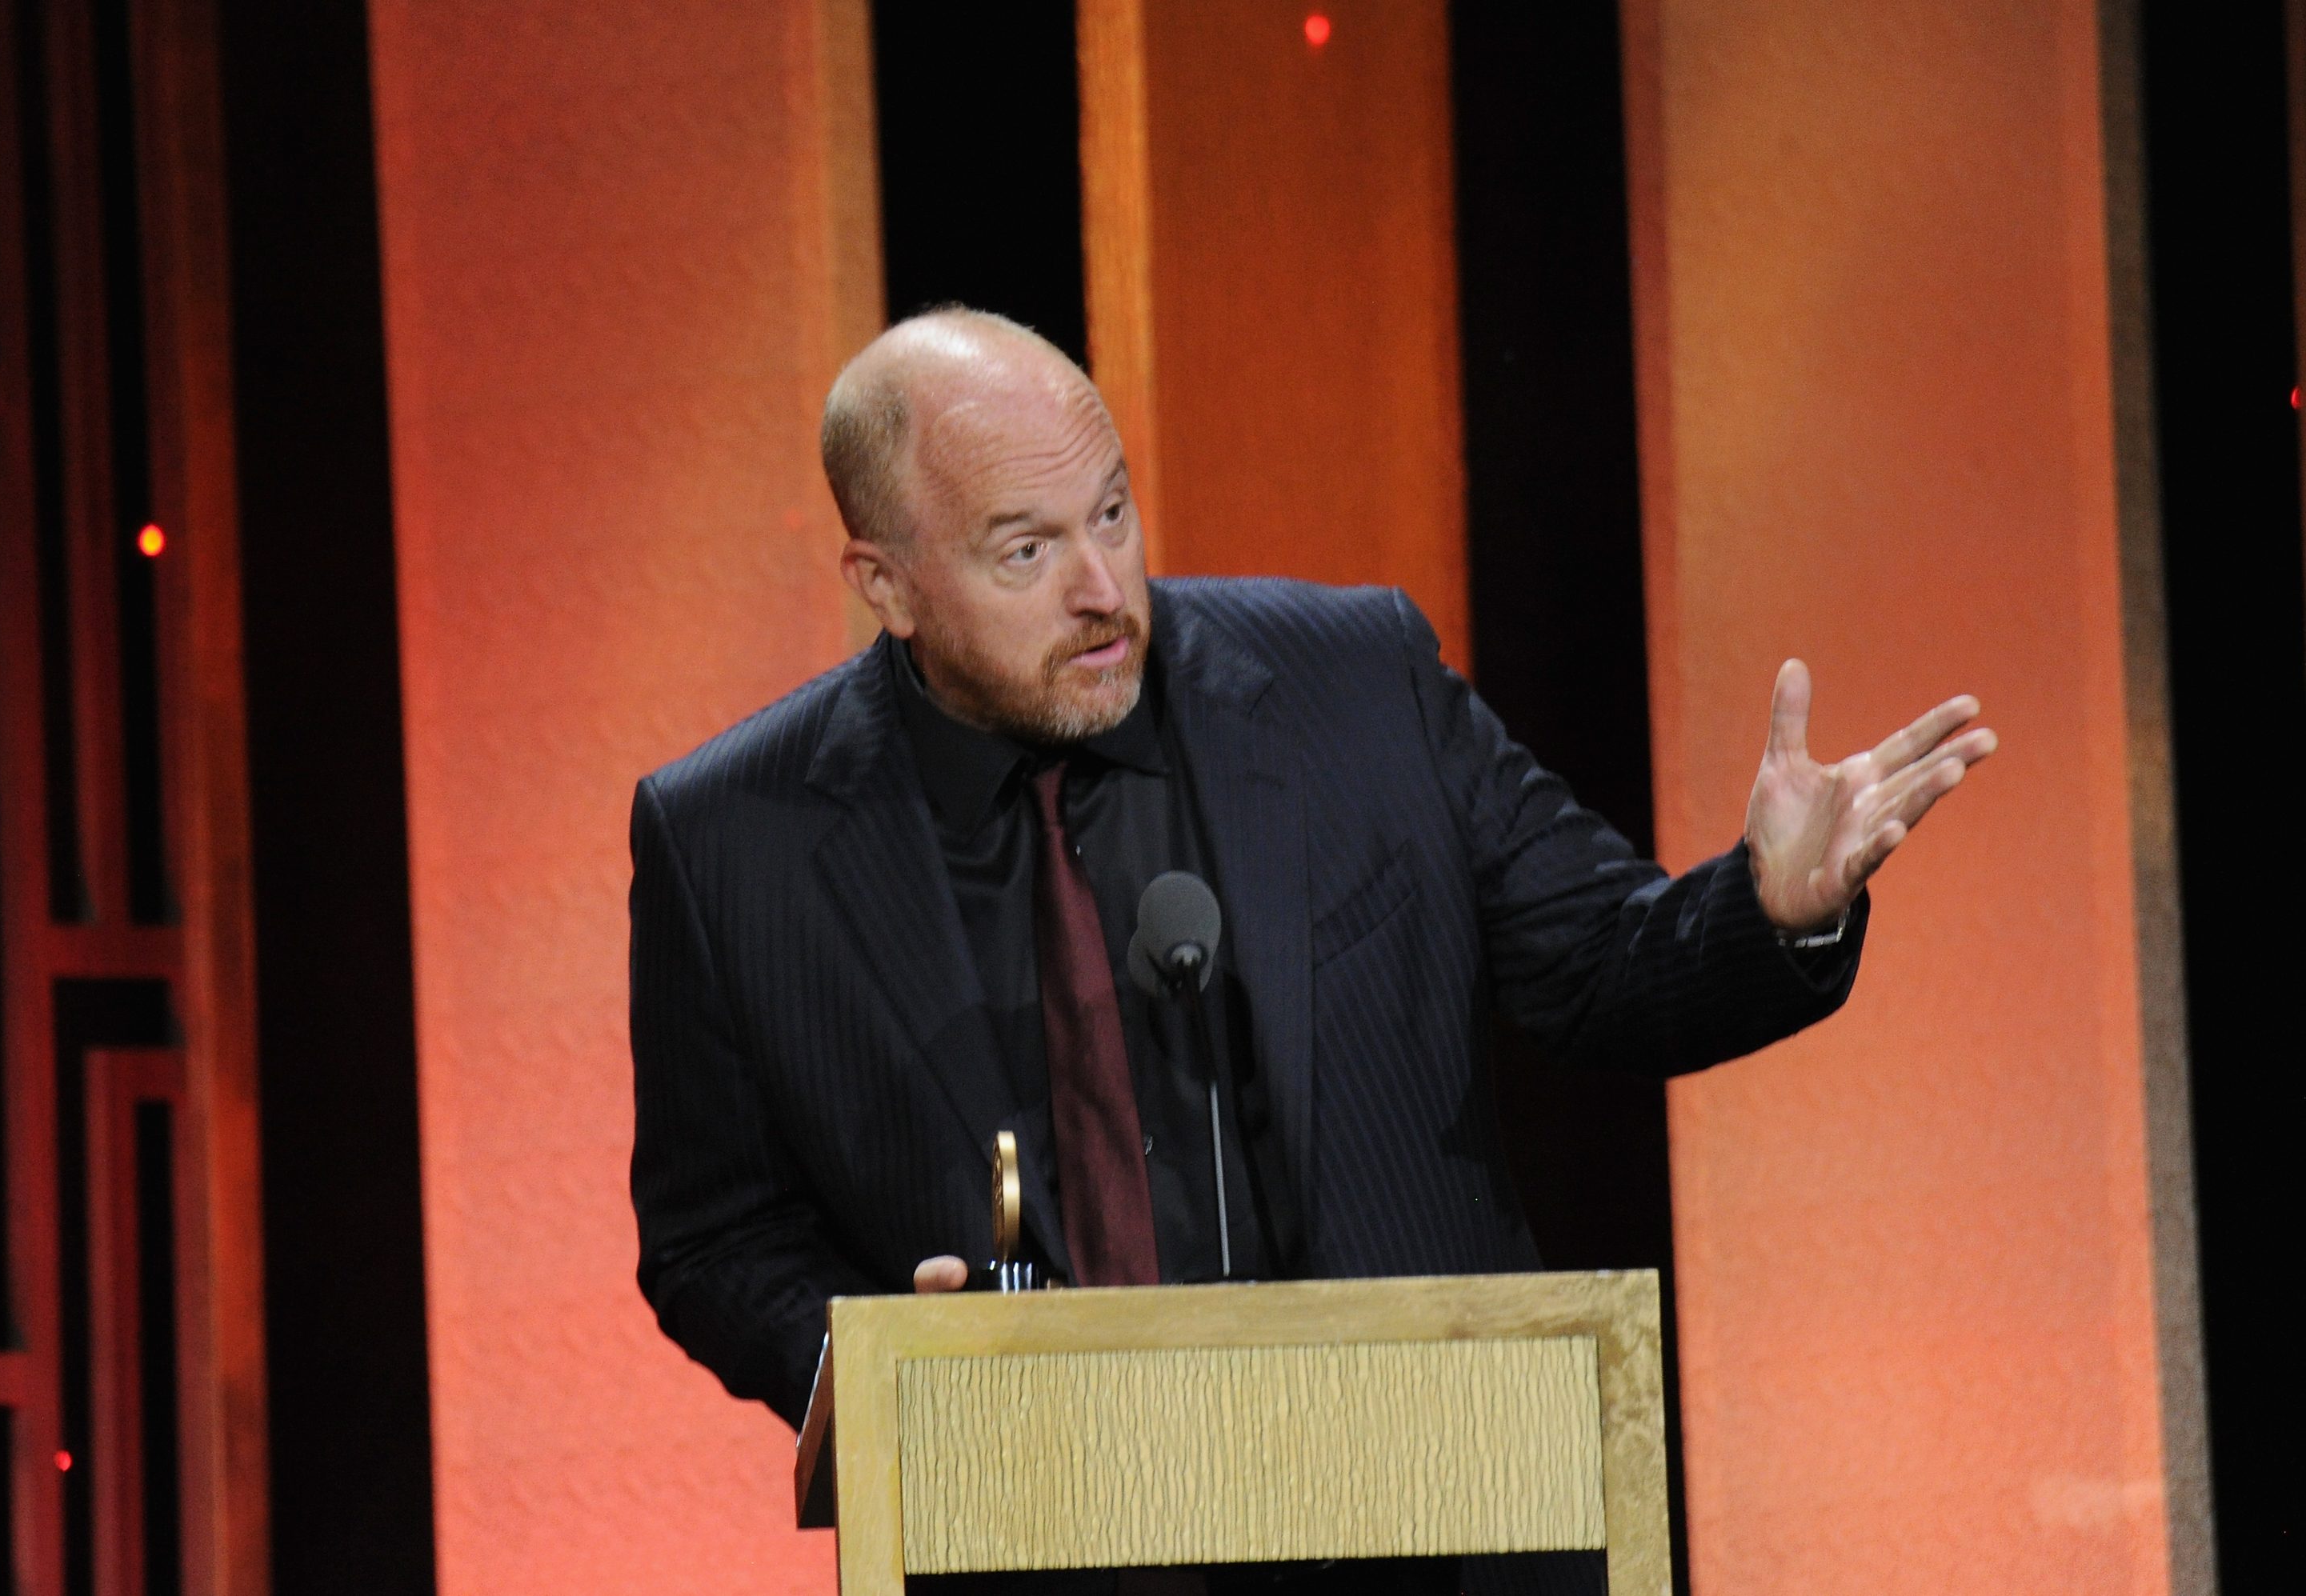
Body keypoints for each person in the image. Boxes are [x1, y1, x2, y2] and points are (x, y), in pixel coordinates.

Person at [627, 309, 1995, 1593]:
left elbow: (1601, 967)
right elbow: (709, 1235)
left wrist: (1775, 909)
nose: (1105, 590)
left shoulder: (1352, 684)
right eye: (1025, 552)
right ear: (888, 585)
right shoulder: (729, 840)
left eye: (1113, 511)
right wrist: (863, 1364)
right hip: (1041, 1543)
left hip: (1441, 1529)